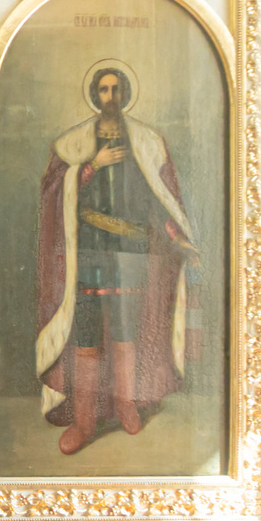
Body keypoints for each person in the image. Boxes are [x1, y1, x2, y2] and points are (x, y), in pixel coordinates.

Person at [36, 61, 200, 455]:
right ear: (96, 95)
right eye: (104, 90)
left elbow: (160, 201)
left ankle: (126, 403)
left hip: (130, 254)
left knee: (126, 331)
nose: (111, 96)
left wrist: (180, 238)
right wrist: (92, 166)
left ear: (125, 94)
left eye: (117, 89)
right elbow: (53, 192)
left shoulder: (145, 141)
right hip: (87, 254)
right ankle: (85, 420)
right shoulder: (74, 141)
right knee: (88, 336)